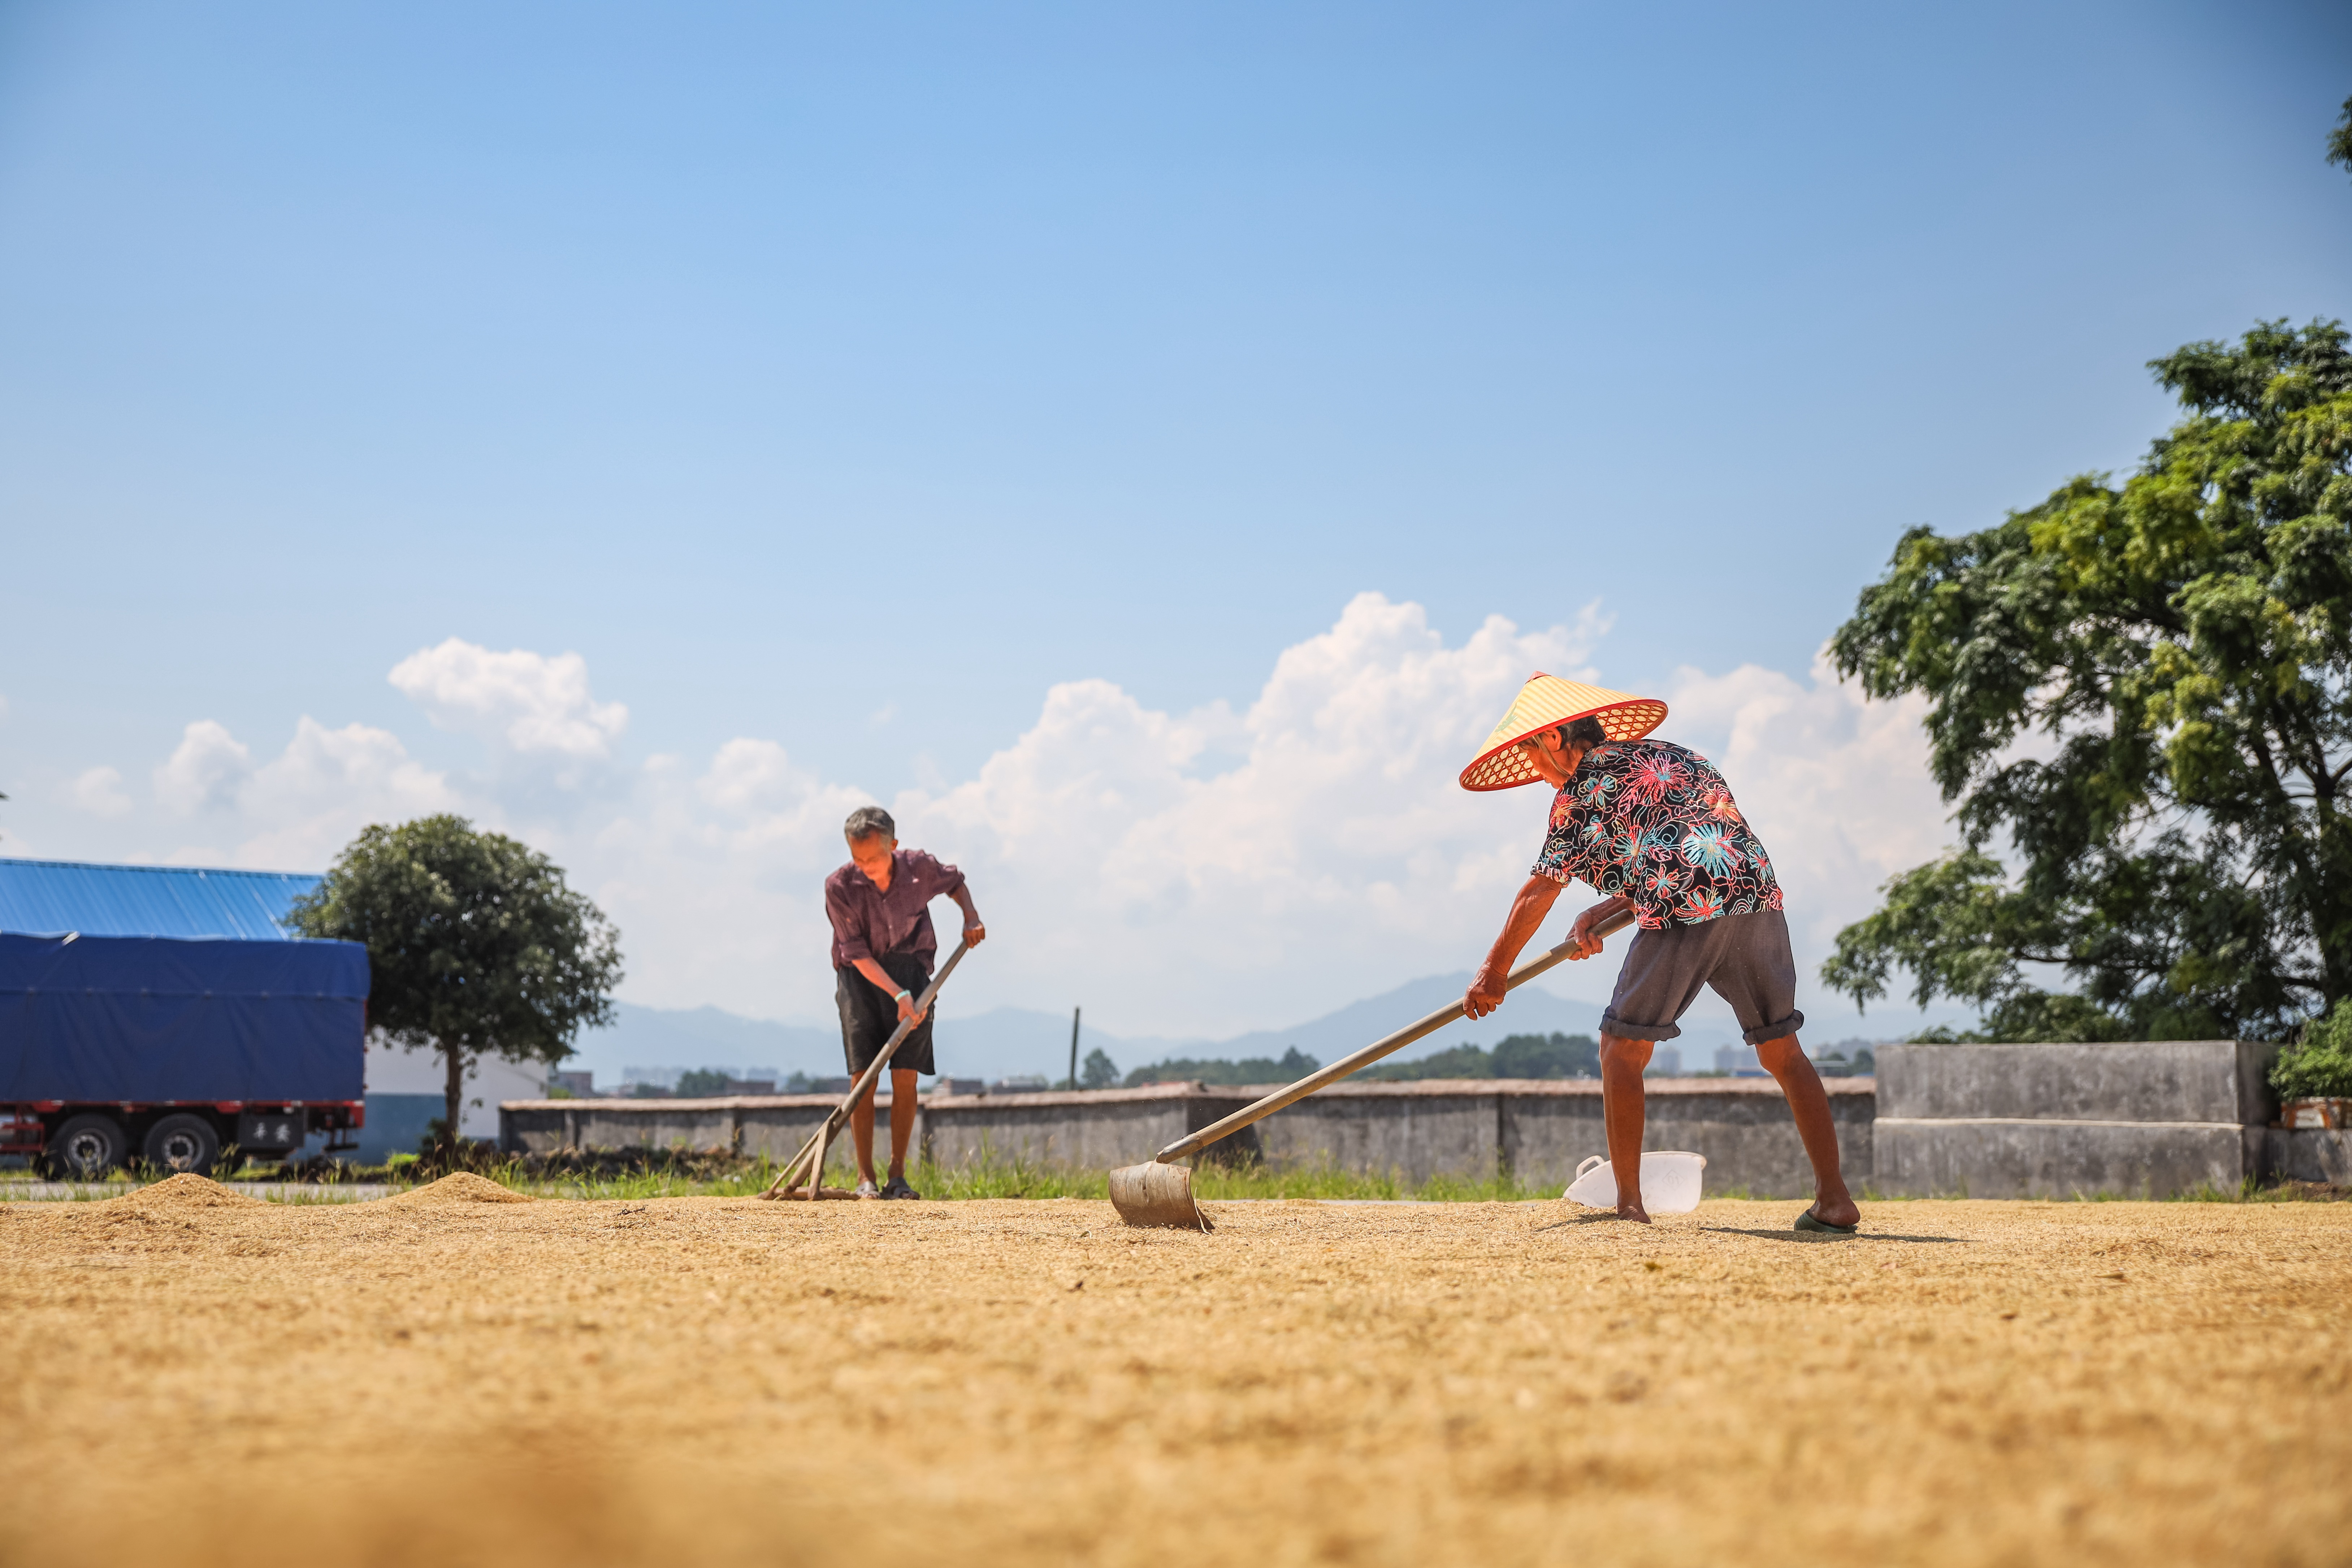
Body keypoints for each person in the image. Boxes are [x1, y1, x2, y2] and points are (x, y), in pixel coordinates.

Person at [1457, 674, 1861, 1233]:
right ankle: (1834, 1198)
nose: (1538, 776)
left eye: (1533, 757)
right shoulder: (1678, 757)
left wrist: (1492, 972)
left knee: (1621, 1049)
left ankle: (1628, 1205)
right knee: (1782, 1049)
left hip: (1685, 907)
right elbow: (1686, 838)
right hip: (1754, 895)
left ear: (1553, 737)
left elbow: (1541, 888)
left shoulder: (1577, 793)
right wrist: (1605, 910)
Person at [823, 805, 986, 1199]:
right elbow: (856, 952)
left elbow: (955, 882)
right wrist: (896, 995)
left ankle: (898, 1175)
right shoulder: (840, 886)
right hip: (859, 978)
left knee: (905, 1074)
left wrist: (970, 916)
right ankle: (866, 1178)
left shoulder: (918, 868)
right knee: (864, 1077)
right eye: (858, 858)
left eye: (875, 859)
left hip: (911, 970)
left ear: (893, 846)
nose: (866, 867)